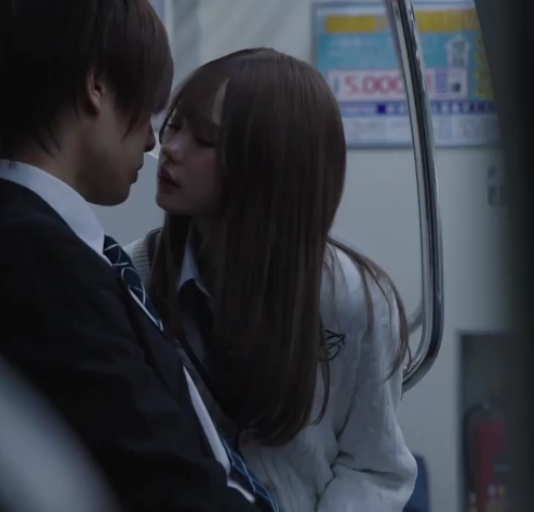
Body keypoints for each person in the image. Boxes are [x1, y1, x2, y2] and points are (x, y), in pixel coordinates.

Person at [0, 1, 275, 511]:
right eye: (148, 110)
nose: (152, 141)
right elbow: (164, 482)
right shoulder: (34, 264)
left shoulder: (45, 244)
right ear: (96, 86)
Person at [124, 48, 419, 511]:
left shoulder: (351, 298)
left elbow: (374, 467)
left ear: (268, 163)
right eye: (174, 126)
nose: (172, 150)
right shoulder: (133, 280)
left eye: (204, 140)